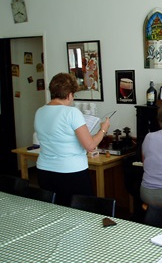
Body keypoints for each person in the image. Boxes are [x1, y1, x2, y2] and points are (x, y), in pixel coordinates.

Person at [34, 72, 110, 206]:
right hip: (70, 172)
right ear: (69, 94)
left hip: (44, 171)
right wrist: (103, 129)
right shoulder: (72, 113)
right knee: (80, 214)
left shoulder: (40, 111)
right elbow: (90, 146)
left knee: (53, 211)